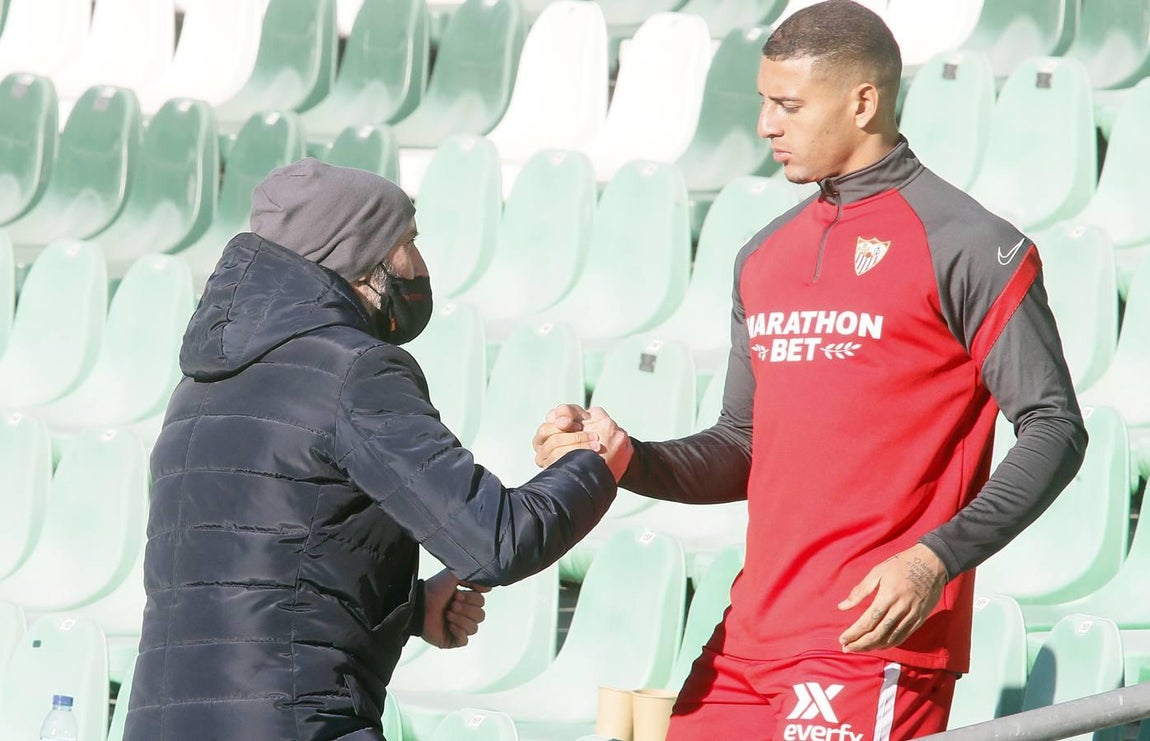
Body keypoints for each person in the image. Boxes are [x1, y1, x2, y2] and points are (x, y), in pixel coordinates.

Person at [534, 2, 1087, 739]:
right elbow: (741, 446)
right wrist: (621, 457)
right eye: (764, 102)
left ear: (864, 102)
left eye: (788, 105)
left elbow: (1056, 427)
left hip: (869, 643)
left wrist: (935, 560)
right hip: (748, 638)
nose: (766, 124)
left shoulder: (968, 244)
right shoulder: (765, 254)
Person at [124, 159, 626, 740]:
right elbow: (494, 541)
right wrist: (593, 464)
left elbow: (240, 571)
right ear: (363, 259)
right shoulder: (355, 372)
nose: (421, 265)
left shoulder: (200, 385)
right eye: (409, 242)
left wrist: (408, 607)